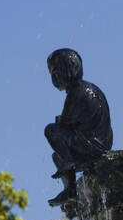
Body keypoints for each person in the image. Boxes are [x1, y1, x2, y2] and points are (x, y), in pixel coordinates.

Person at [44, 49, 112, 207]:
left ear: (69, 70)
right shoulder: (88, 88)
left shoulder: (77, 91)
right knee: (57, 155)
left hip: (93, 146)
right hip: (100, 143)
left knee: (51, 130)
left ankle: (70, 165)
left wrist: (61, 124)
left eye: (55, 72)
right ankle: (70, 190)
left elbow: (63, 124)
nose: (53, 78)